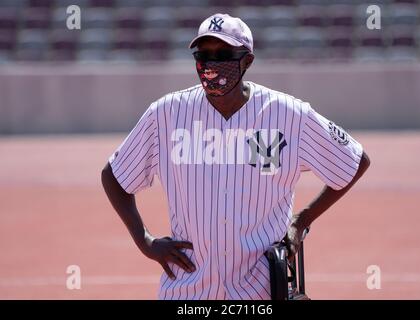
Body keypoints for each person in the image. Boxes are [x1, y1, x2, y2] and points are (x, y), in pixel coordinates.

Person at [101, 13, 370, 300]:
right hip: (188, 292)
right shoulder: (166, 114)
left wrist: (302, 220)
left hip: (259, 290)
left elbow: (353, 161)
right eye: (203, 54)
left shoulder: (289, 115)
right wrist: (146, 242)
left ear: (248, 61)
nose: (212, 63)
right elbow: (114, 176)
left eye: (224, 54)